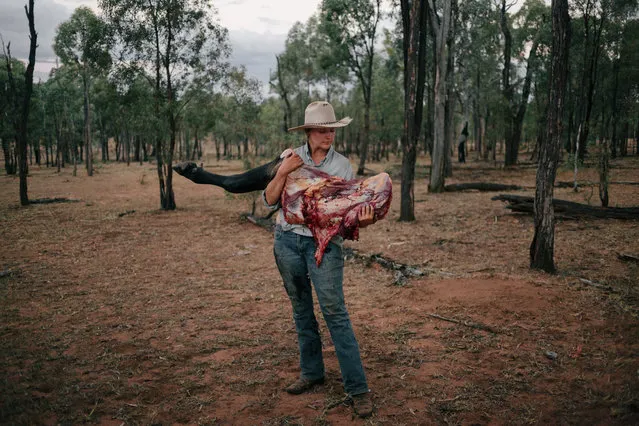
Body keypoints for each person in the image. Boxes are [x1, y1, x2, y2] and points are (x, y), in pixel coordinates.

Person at [262, 101, 375, 418]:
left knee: (335, 313)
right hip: (287, 243)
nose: (329, 135)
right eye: (323, 130)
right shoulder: (289, 158)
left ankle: (358, 389)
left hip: (324, 246)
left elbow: (347, 213)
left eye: (332, 130)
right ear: (309, 132)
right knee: (301, 310)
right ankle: (312, 373)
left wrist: (362, 220)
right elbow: (270, 199)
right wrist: (284, 170)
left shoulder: (343, 167)